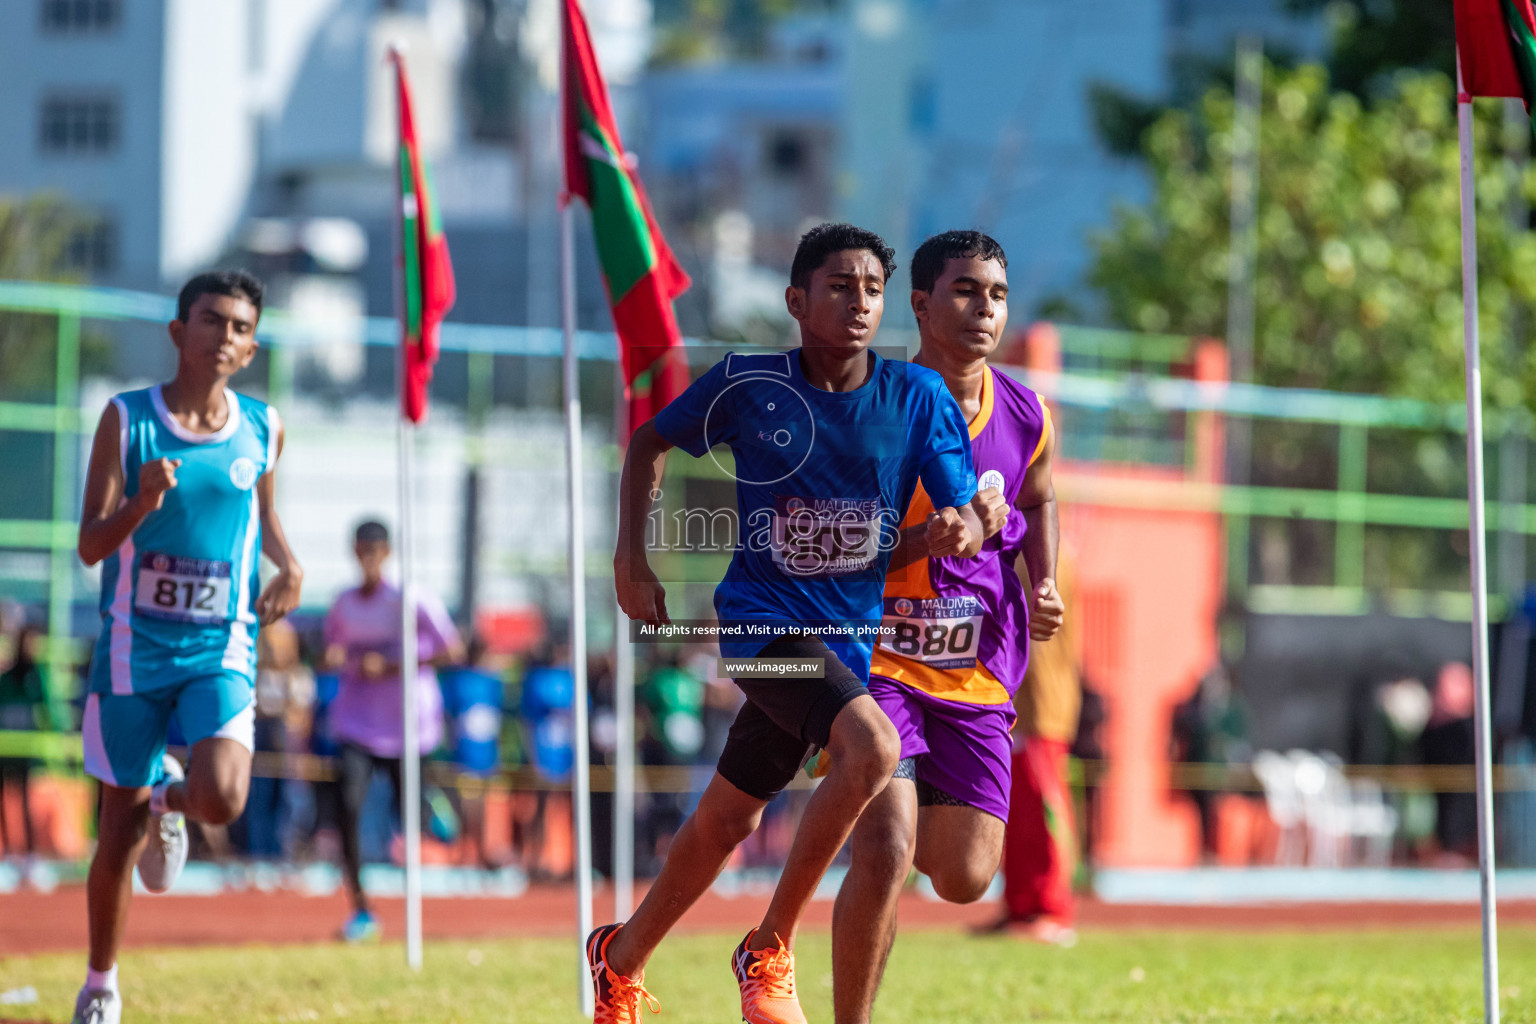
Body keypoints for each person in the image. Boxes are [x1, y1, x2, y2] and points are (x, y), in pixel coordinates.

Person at [590, 222, 982, 1024]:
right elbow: (648, 444)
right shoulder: (748, 384)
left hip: (846, 647)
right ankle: (769, 945)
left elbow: (961, 516)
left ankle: (618, 958)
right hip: (761, 629)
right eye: (840, 287)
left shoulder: (918, 398)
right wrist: (632, 557)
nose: (860, 303)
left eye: (873, 289)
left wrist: (961, 529)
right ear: (797, 301)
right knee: (871, 745)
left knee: (731, 816)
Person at [829, 230, 1064, 1024]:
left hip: (976, 671)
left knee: (963, 876)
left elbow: (1038, 496)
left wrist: (1047, 582)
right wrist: (926, 540)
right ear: (922, 304)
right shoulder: (868, 410)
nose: (984, 309)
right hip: (879, 665)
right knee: (887, 848)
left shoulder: (1027, 413)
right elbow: (827, 549)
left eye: (996, 294)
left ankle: (904, 806)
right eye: (965, 292)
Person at [72, 270, 304, 1024]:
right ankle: (101, 983)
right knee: (116, 832)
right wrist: (142, 500)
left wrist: (292, 566)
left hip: (220, 647)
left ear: (252, 345)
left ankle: (172, 800)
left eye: (240, 328)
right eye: (212, 321)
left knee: (225, 797)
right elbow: (89, 545)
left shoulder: (263, 427)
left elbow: (265, 519)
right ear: (179, 332)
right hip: (133, 649)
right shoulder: (127, 418)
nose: (225, 337)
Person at [322, 520, 463, 941]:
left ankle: (430, 803)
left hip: (408, 726)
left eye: (374, 550)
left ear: (386, 553)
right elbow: (330, 647)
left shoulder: (411, 597)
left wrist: (389, 666)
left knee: (410, 816)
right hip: (356, 723)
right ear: (353, 552)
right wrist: (333, 657)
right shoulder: (343, 603)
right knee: (347, 804)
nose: (367, 559)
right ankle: (362, 908)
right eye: (360, 550)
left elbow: (452, 649)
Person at [985, 545, 1082, 943]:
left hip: (1041, 706)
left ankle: (1052, 910)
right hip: (1015, 703)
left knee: (1044, 810)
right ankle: (1021, 907)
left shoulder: (1046, 559)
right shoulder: (1020, 554)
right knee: (1018, 816)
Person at [0, 623, 67, 862]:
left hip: (26, 751)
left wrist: (59, 733)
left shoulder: (37, 677)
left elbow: (51, 711)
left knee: (26, 801)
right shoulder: (6, 679)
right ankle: (7, 852)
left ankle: (28, 856)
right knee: (4, 801)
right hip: (5, 749)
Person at [438, 634, 505, 869]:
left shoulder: (492, 681)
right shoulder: (457, 680)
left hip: (486, 754)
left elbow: (498, 716)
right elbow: (447, 716)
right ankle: (464, 852)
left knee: (482, 807)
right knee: (465, 806)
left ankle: (479, 851)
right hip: (463, 753)